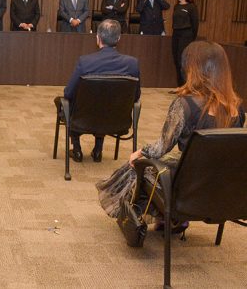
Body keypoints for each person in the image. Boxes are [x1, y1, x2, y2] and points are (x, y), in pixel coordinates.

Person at [97, 41, 244, 233]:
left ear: (193, 69)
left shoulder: (185, 105)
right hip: (221, 189)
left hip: (185, 189)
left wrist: (139, 153)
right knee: (164, 162)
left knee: (137, 165)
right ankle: (172, 218)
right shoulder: (237, 108)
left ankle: (164, 217)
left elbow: (161, 148)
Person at [58, 19, 140, 162]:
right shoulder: (132, 64)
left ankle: (77, 149)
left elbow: (68, 93)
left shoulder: (85, 62)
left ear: (98, 38)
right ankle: (98, 150)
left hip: (82, 120)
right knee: (105, 103)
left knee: (70, 104)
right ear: (118, 38)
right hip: (116, 121)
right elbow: (136, 96)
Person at [171, 0, 199, 87]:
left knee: (182, 60)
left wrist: (191, 38)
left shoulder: (191, 7)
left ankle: (186, 86)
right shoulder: (177, 6)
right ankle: (179, 86)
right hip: (176, 34)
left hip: (186, 35)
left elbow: (195, 24)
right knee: (176, 59)